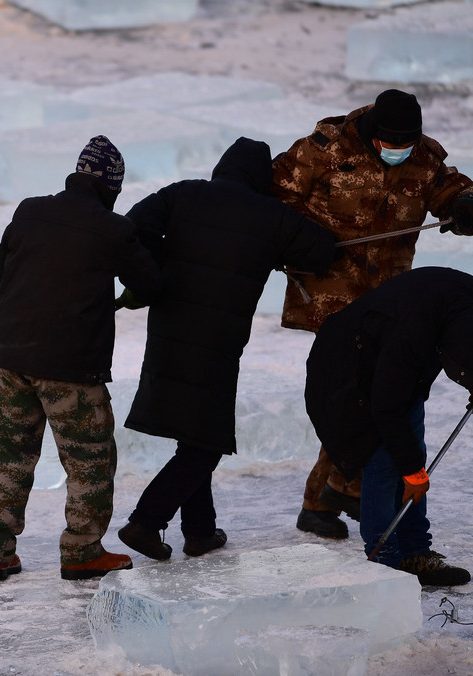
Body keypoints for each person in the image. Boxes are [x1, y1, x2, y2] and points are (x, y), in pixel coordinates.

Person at [114, 137, 337, 561]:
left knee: (196, 433)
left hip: (168, 328)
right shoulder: (272, 216)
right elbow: (322, 252)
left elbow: (131, 228)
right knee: (206, 442)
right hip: (218, 340)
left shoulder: (183, 193)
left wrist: (163, 266)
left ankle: (199, 532)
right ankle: (145, 522)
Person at [272, 89, 473, 539]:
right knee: (358, 390)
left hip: (390, 296)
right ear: (374, 133)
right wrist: (299, 242)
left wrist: (464, 205)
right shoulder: (323, 149)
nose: (401, 151)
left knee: (362, 393)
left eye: (408, 142)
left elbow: (450, 191)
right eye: (392, 142)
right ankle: (337, 493)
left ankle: (332, 495)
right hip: (331, 291)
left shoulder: (423, 157)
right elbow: (274, 202)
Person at [0, 135, 161, 581]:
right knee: (89, 461)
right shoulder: (113, 230)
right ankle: (82, 552)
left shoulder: (30, 210)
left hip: (13, 360)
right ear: (112, 186)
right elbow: (153, 284)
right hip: (72, 369)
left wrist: (21, 333)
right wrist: (129, 295)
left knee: (10, 459)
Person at [305, 266, 473, 586]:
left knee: (413, 452)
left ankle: (414, 554)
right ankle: (382, 560)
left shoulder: (456, 317)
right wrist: (413, 472)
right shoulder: (413, 336)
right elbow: (387, 408)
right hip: (348, 370)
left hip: (390, 362)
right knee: (386, 463)